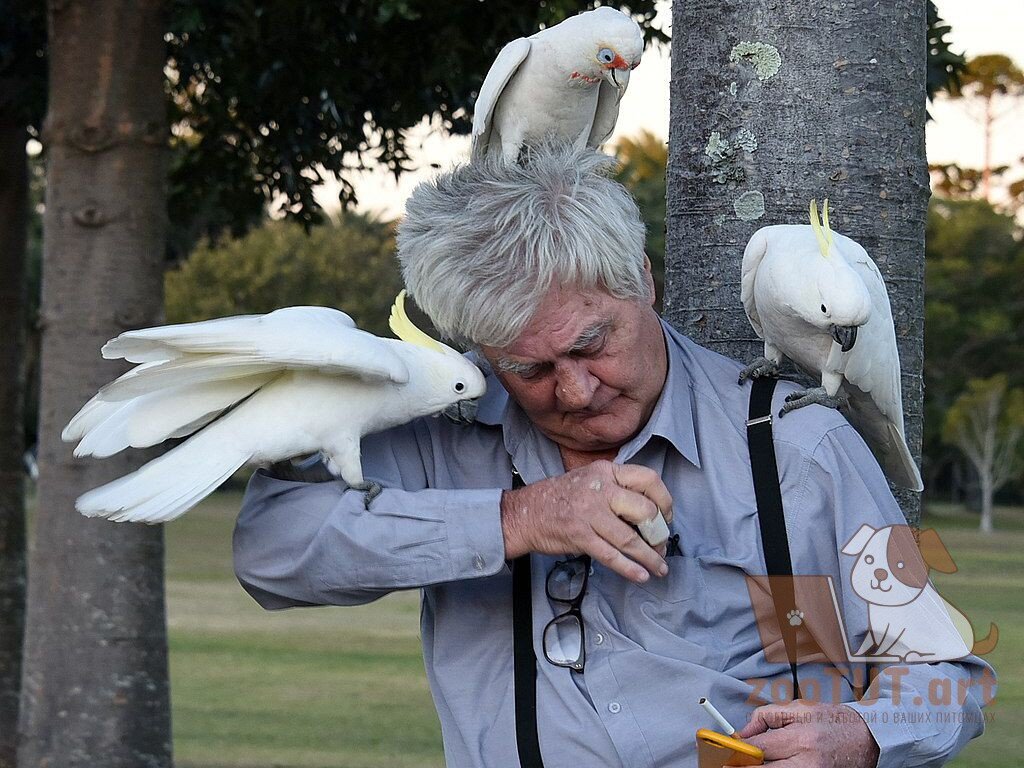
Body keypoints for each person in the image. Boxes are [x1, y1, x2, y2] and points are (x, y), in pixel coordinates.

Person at [233, 145, 994, 767]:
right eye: (526, 369)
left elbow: (949, 680)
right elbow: (271, 549)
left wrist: (860, 735)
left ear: (643, 283)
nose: (574, 390)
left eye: (591, 344)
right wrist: (514, 520)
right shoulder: (445, 430)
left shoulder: (797, 449)